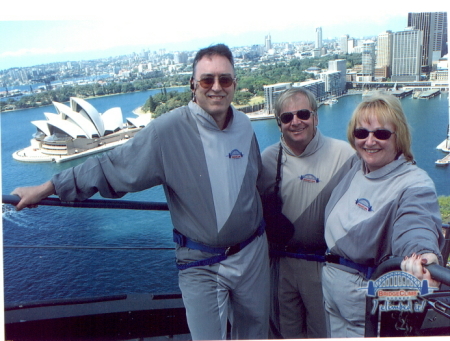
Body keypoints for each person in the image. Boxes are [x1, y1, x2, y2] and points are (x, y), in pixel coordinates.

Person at [11, 44, 270, 340]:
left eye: (225, 80)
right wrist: (49, 187)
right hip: (202, 264)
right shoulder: (167, 130)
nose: (216, 88)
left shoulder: (245, 127)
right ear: (192, 85)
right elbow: (112, 165)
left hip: (253, 254)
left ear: (234, 84)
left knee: (256, 333)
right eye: (206, 80)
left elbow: (253, 184)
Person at [322, 92, 445, 338]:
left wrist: (422, 256)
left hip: (367, 301)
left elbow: (416, 222)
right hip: (333, 298)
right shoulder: (358, 167)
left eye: (381, 133)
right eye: (361, 133)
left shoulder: (413, 183)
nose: (369, 141)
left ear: (398, 136)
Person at [259, 87, 356, 338]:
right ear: (278, 123)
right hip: (281, 264)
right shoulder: (268, 160)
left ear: (316, 117)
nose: (296, 122)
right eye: (287, 117)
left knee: (323, 331)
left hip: (324, 264)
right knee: (285, 331)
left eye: (303, 113)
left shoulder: (345, 155)